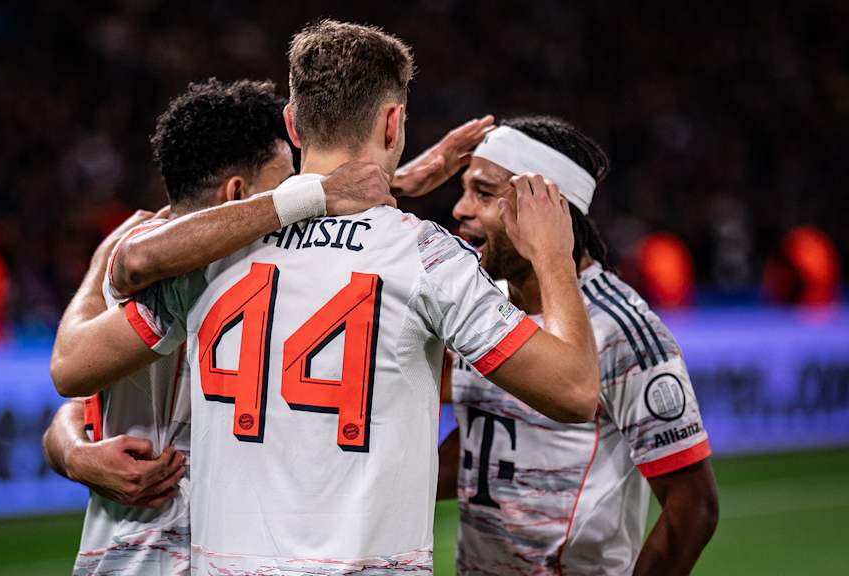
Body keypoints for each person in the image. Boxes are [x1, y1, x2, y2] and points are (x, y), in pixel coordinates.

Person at [50, 20, 599, 574]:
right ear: (393, 123)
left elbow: (76, 368)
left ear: (292, 123)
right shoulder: (426, 257)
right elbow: (574, 392)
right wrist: (554, 256)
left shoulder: (207, 254)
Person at [43, 78, 396, 575]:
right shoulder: (173, 263)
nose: (299, 192)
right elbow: (73, 372)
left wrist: (75, 453)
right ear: (238, 192)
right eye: (285, 179)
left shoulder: (248, 260)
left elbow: (74, 405)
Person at [434, 116, 719, 575]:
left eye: (483, 193)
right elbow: (485, 440)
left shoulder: (621, 327)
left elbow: (694, 505)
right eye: (466, 190)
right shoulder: (484, 306)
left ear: (549, 209)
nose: (461, 210)